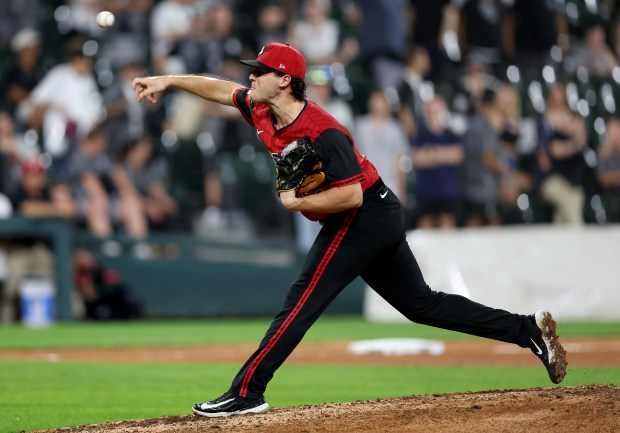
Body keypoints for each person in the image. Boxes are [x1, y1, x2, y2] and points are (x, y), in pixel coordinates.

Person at [132, 42, 567, 418]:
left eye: (260, 71)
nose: (251, 76)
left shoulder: (324, 131)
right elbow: (220, 91)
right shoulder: (262, 109)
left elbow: (351, 196)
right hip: (372, 214)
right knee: (422, 305)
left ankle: (247, 392)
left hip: (363, 216)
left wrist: (296, 202)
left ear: (285, 80)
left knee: (301, 299)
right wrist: (167, 81)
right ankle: (526, 329)